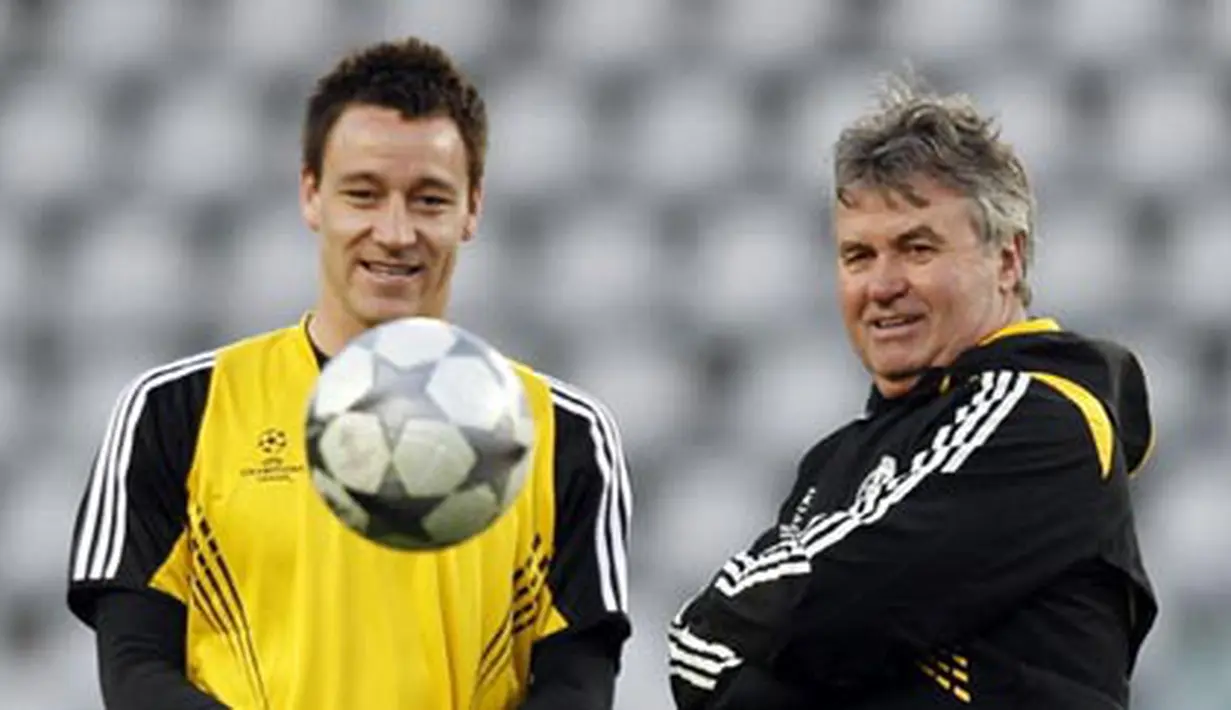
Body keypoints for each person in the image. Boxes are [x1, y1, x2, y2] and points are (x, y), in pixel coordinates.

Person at [66, 37, 632, 710]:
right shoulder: (177, 411)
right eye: (363, 194)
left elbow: (577, 680)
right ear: (312, 195)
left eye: (428, 200)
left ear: (472, 208)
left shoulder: (561, 432)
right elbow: (135, 669)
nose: (394, 232)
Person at [667, 75, 1156, 709]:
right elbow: (695, 653)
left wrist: (772, 645)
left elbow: (835, 609)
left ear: (1008, 260)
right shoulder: (835, 461)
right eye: (857, 256)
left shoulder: (1040, 418)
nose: (883, 284)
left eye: (917, 248)